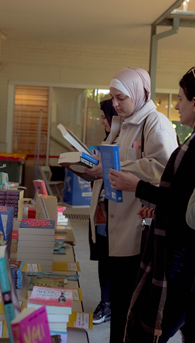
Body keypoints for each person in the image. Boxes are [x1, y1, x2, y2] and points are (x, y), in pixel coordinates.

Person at [86, 67, 178, 343]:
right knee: (119, 297)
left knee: (128, 302)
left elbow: (165, 169)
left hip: (138, 225)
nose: (115, 104)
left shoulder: (155, 123)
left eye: (120, 98)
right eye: (112, 97)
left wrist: (116, 167)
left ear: (139, 94)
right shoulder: (123, 123)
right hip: (116, 221)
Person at [108, 67, 195, 343]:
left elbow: (182, 197)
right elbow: (182, 194)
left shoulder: (156, 124)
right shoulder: (122, 125)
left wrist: (139, 187)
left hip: (181, 248)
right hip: (162, 232)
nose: (176, 104)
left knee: (150, 324)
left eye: (181, 98)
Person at [90, 98, 117, 324]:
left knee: (110, 259)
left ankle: (109, 304)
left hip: (114, 211)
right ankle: (105, 301)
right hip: (101, 210)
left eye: (103, 116)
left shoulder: (121, 141)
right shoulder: (107, 140)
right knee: (103, 258)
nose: (101, 121)